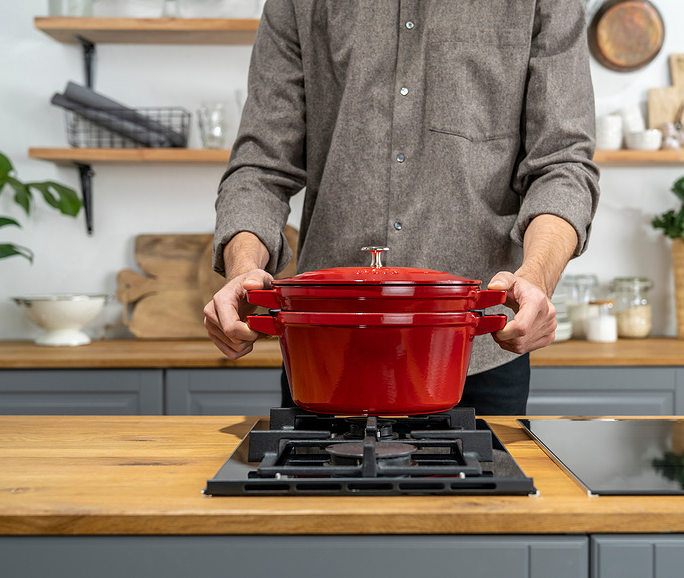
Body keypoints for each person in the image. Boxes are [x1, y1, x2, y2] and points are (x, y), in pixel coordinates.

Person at [204, 0, 600, 415]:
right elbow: (261, 166)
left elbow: (561, 165)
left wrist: (536, 276)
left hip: (479, 351)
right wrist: (244, 270)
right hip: (324, 353)